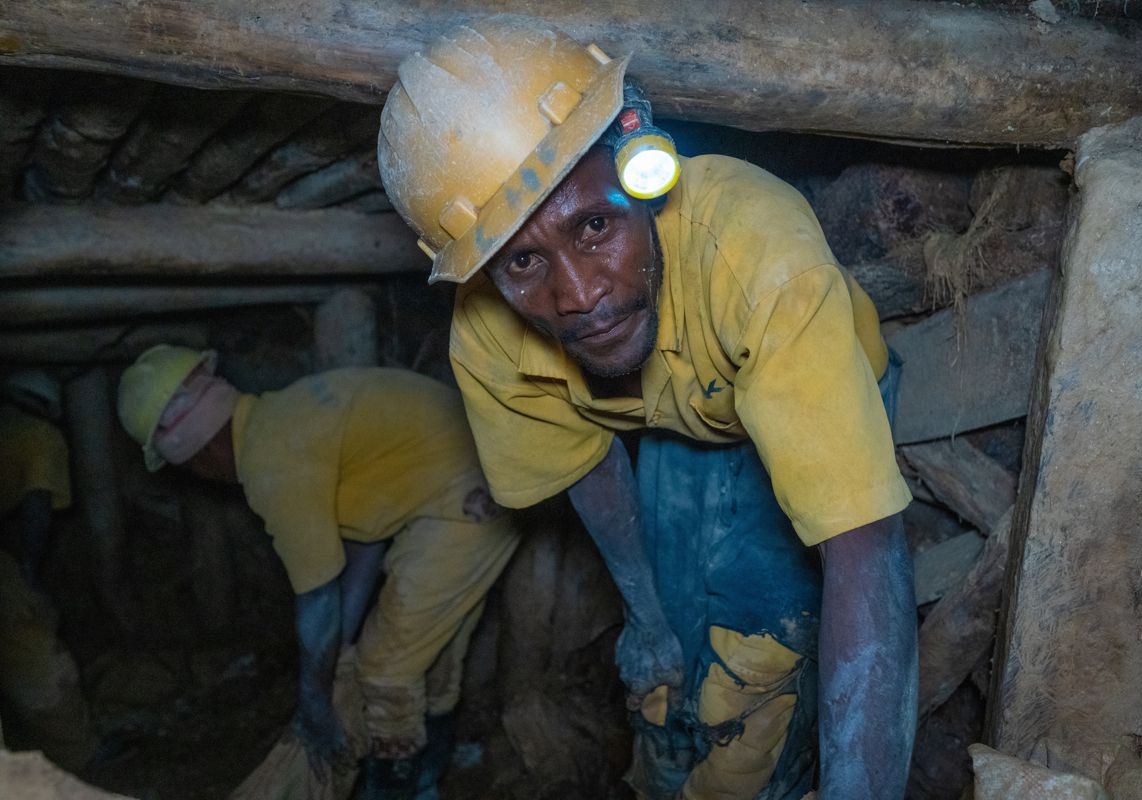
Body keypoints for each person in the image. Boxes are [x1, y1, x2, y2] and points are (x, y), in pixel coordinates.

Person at [377, 18, 917, 800]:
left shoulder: (760, 255)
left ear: (639, 156)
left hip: (810, 397)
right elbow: (585, 460)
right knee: (667, 683)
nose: (579, 296)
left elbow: (863, 545)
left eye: (594, 226)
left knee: (755, 679)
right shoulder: (486, 330)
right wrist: (647, 620)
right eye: (523, 262)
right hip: (669, 425)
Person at [116, 346, 519, 799]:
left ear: (197, 451)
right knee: (430, 653)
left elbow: (319, 595)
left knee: (386, 670)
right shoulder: (285, 417)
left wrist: (313, 704)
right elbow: (363, 543)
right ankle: (425, 783)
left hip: (468, 503)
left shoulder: (271, 463)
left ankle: (395, 791)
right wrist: (339, 651)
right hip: (485, 485)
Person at [0, 369, 98, 770]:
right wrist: (28, 573)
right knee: (31, 642)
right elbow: (37, 507)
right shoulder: (41, 436)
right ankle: (78, 751)